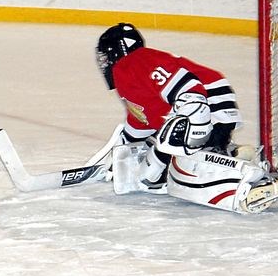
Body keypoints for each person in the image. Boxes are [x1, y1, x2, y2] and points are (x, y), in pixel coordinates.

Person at [95, 22, 242, 192]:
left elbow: (186, 87)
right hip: (204, 101)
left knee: (157, 169)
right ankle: (227, 153)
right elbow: (144, 116)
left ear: (117, 50)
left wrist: (192, 116)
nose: (104, 63)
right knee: (152, 169)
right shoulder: (129, 74)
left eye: (105, 56)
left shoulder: (137, 61)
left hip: (209, 99)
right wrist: (124, 146)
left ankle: (218, 163)